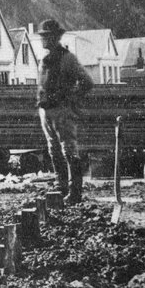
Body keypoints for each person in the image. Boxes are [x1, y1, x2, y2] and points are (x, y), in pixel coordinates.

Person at [35, 18, 94, 204]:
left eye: (47, 36)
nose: (44, 40)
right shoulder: (43, 60)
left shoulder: (67, 58)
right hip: (46, 111)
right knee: (53, 150)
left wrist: (70, 99)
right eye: (42, 36)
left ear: (56, 37)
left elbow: (87, 82)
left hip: (62, 111)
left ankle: (75, 192)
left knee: (69, 150)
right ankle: (61, 187)